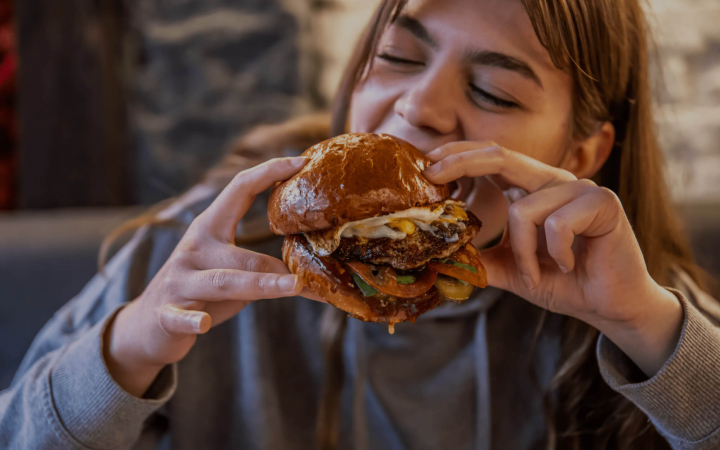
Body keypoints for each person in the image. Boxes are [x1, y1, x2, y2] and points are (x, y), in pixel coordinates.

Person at [2, 0, 719, 448]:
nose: (417, 106)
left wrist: (645, 328)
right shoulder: (195, 261)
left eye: (492, 90)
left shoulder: (640, 306)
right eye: (398, 58)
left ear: (581, 153)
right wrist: (131, 348)